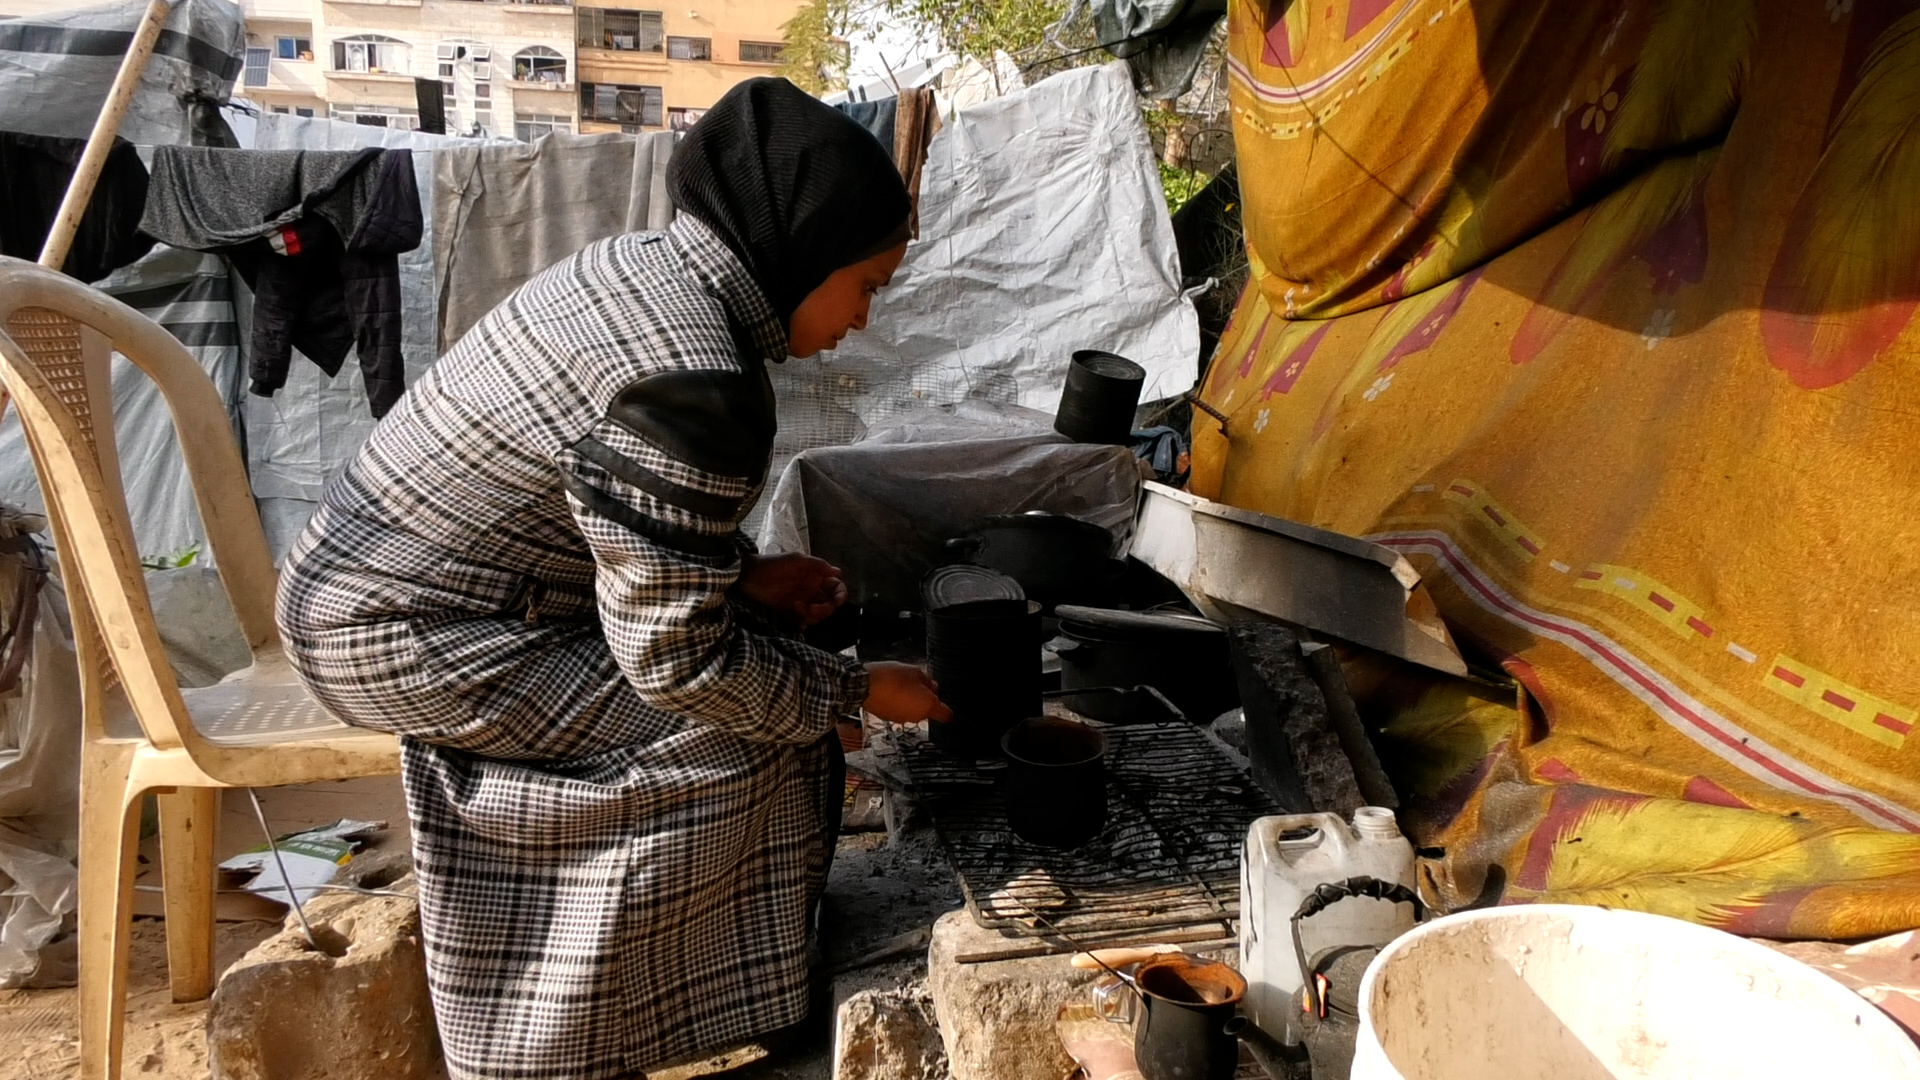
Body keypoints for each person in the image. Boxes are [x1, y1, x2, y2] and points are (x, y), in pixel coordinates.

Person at [275, 78, 950, 1080]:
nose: (861, 320)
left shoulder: (642, 270)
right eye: (866, 287)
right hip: (398, 633)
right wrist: (853, 693)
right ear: (799, 256)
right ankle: (574, 1038)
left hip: (387, 589)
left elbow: (601, 514)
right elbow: (677, 666)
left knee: (774, 682)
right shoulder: (692, 375)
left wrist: (747, 577)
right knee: (755, 732)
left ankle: (713, 991)